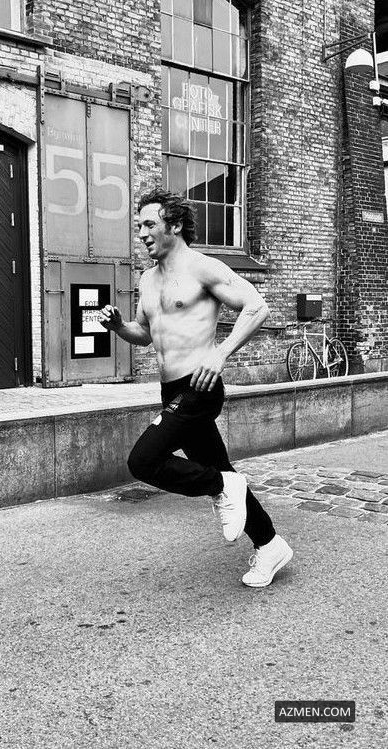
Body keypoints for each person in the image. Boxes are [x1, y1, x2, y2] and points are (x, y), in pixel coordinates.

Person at [99, 188, 292, 587]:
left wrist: (220, 353)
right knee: (220, 468)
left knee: (144, 461)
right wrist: (119, 327)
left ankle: (223, 486)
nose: (142, 234)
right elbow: (146, 333)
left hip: (199, 387)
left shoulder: (203, 267)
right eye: (138, 226)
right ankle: (270, 544)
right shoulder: (147, 279)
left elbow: (257, 307)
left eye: (149, 225)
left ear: (174, 225)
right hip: (171, 391)